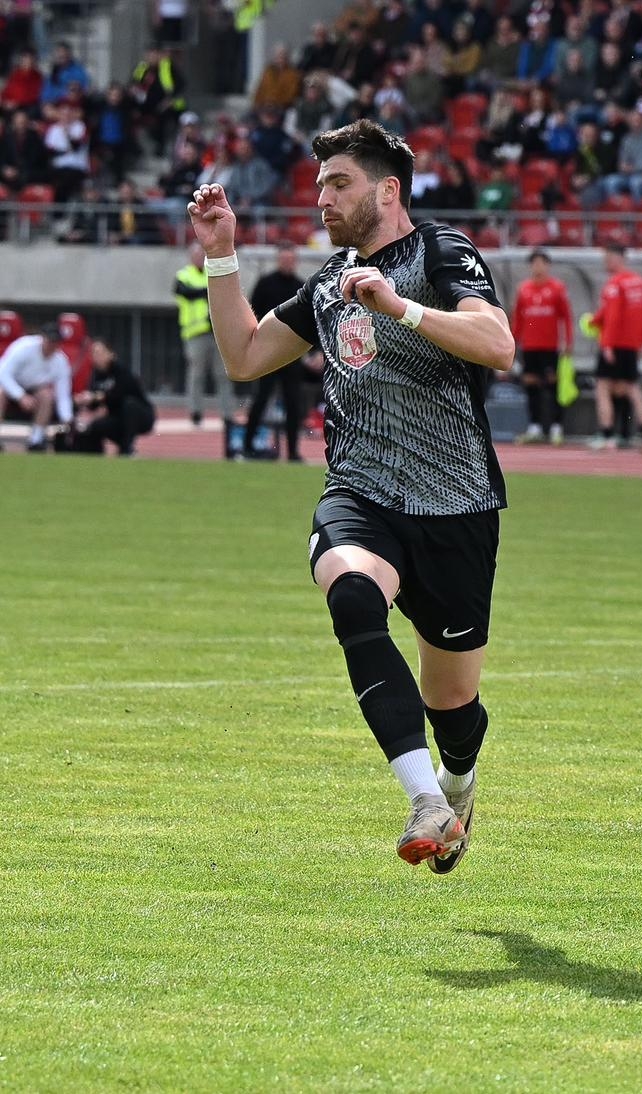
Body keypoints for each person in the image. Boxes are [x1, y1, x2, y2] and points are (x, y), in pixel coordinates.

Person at [186, 118, 516, 871]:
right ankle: (424, 799)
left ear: (388, 190)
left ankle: (456, 783)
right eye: (320, 185)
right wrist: (221, 255)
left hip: (456, 505)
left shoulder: (442, 251)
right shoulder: (330, 281)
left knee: (453, 706)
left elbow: (498, 345)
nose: (323, 198)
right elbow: (245, 357)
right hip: (361, 494)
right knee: (353, 597)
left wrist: (400, 307)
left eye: (339, 183)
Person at [243, 241, 309, 461]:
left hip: (292, 355)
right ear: (278, 260)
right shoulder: (265, 283)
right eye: (284, 259)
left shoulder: (302, 287)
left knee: (293, 403)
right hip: (268, 354)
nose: (287, 263)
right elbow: (252, 313)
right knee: (261, 400)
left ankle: (292, 452)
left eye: (291, 259)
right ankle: (247, 446)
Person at [587, 241, 642, 450]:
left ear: (620, 258)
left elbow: (612, 316)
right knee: (632, 388)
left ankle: (607, 435)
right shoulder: (638, 282)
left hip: (614, 343)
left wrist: (606, 344)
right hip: (631, 344)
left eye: (609, 258)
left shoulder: (615, 283)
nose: (606, 262)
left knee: (603, 388)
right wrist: (641, 342)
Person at [512, 249, 574, 446]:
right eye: (534, 263)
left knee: (552, 386)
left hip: (550, 346)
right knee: (531, 385)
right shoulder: (523, 289)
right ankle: (535, 426)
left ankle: (556, 427)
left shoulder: (557, 288)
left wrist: (568, 342)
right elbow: (518, 319)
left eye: (541, 263)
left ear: (548, 266)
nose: (538, 267)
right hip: (530, 346)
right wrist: (513, 343)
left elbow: (566, 317)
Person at [71, 338, 155, 456]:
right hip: (116, 418)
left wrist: (96, 397)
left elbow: (119, 395)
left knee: (129, 405)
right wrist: (83, 400)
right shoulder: (95, 375)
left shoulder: (121, 371)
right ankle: (94, 455)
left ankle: (127, 449)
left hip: (140, 416)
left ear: (111, 354)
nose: (96, 356)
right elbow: (93, 404)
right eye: (94, 353)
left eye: (100, 352)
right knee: (94, 427)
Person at [0, 326, 72, 452]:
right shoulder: (24, 347)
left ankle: (36, 440)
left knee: (47, 396)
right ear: (43, 338)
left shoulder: (61, 361)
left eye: (55, 342)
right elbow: (3, 374)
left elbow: (63, 394)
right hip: (11, 385)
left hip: (35, 390)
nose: (51, 345)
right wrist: (20, 396)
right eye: (50, 341)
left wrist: (67, 418)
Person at [174, 241, 221, 427]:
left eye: (202, 255)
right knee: (196, 375)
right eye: (197, 255)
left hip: (216, 332)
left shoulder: (211, 272)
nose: (200, 258)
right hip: (195, 333)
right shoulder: (183, 275)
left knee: (222, 374)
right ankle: (195, 412)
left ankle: (226, 414)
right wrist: (206, 291)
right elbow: (184, 292)